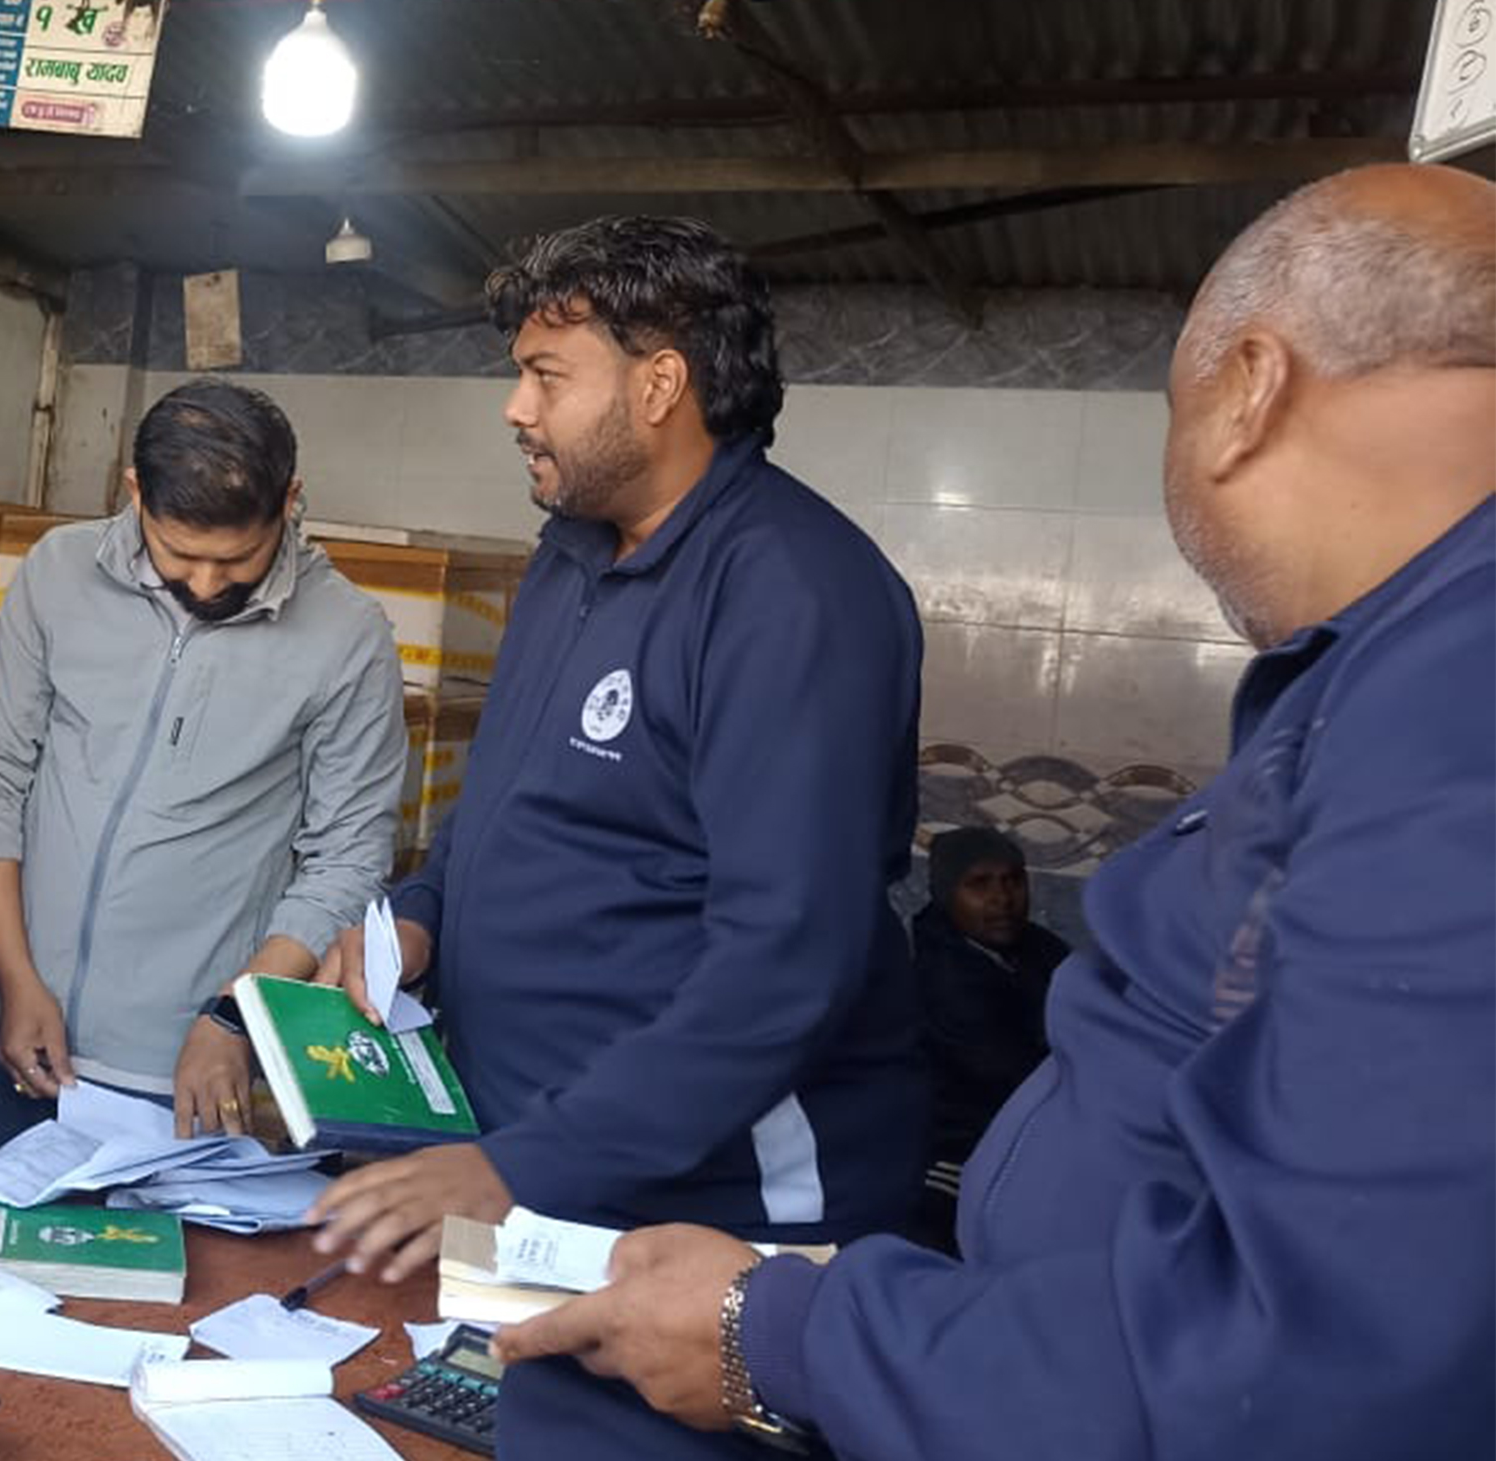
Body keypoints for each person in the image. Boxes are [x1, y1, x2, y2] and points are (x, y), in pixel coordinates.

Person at [495, 164, 1496, 1461]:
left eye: (1169, 406)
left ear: (1245, 390)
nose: (514, 409)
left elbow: (1316, 1358)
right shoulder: (1378, 670)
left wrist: (787, 1331)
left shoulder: (1450, 701)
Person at [302, 215, 928, 1449]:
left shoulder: (791, 593)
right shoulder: (574, 555)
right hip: (568, 1189)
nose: (512, 409)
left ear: (659, 384)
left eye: (545, 376)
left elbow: (782, 963)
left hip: (720, 1220)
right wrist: (418, 922)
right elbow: (511, 810)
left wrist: (516, 1166)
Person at [0, 379, 406, 1154]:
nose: (206, 584)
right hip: (16, 1042)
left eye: (237, 559)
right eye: (181, 554)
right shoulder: (58, 573)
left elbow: (348, 859)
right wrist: (14, 978)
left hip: (186, 1080)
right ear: (134, 492)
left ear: (290, 500)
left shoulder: (347, 636)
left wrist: (236, 1013)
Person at [907, 826, 1070, 1253]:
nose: (1002, 898)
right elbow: (1012, 1074)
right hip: (956, 1154)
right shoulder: (937, 974)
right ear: (946, 894)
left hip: (1036, 1137)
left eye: (1014, 880)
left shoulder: (1039, 949)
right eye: (979, 885)